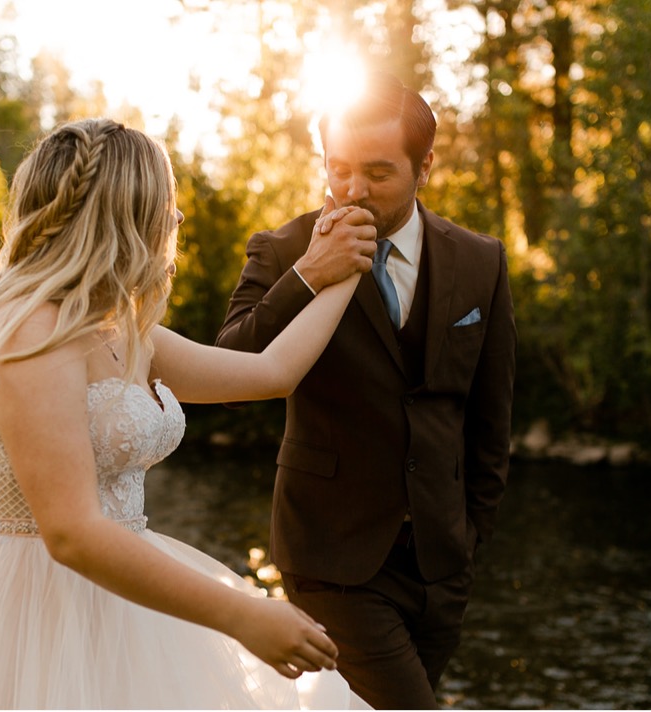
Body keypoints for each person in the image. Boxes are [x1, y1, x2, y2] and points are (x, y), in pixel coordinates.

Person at [0, 118, 378, 709]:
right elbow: (72, 532)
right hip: (22, 614)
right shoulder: (32, 331)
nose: (177, 220)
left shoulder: (122, 333)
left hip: (125, 601)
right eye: (166, 203)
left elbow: (271, 372)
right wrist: (242, 615)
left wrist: (346, 260)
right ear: (126, 216)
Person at [216, 72, 517, 709]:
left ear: (425, 165)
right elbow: (230, 371)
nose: (353, 190)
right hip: (331, 559)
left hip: (441, 563)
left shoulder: (480, 261)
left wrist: (469, 536)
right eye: (339, 168)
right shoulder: (282, 251)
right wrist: (306, 278)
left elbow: (491, 417)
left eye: (378, 173)